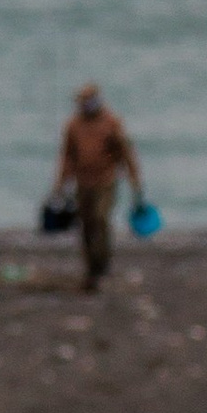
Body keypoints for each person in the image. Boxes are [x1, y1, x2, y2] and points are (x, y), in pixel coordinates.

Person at [54, 87, 142, 295]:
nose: (84, 105)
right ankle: (91, 268)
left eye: (87, 100)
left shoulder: (111, 123)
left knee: (100, 218)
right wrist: (60, 184)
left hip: (105, 181)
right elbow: (67, 156)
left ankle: (102, 265)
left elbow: (125, 152)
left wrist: (134, 179)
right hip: (82, 182)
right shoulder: (73, 125)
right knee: (86, 224)